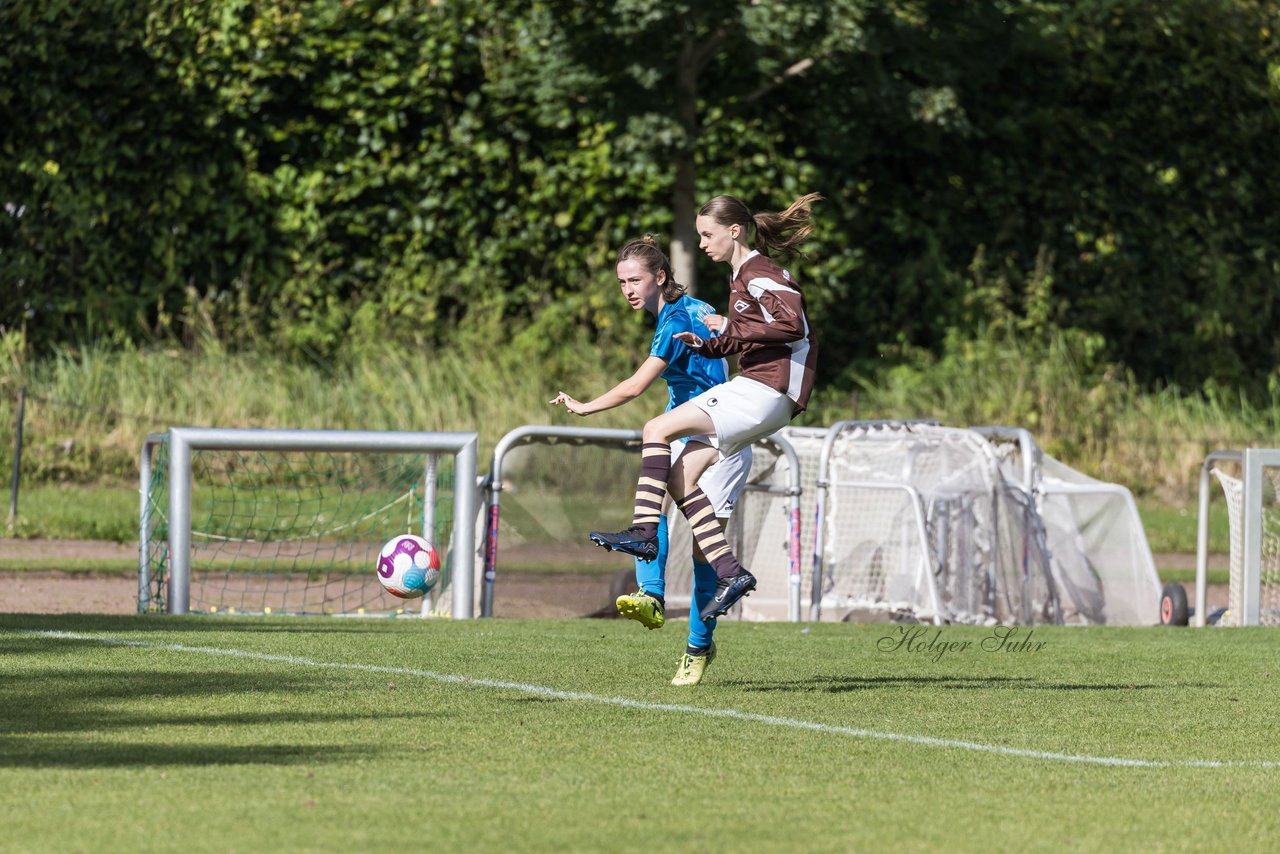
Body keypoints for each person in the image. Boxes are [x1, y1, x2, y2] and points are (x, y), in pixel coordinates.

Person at [588, 192, 821, 624]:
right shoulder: (739, 277)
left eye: (707, 234)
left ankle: (644, 536)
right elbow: (750, 336)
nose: (701, 244)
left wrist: (729, 327)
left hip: (765, 389)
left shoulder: (757, 271)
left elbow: (793, 324)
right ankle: (730, 573)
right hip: (765, 393)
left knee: (655, 429)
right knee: (678, 478)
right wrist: (712, 343)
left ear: (734, 231)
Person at [550, 234, 751, 686]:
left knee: (704, 554)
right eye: (621, 282)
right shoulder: (694, 307)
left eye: (635, 280)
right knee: (651, 500)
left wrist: (584, 407)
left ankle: (698, 648)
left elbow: (634, 386)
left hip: (721, 436)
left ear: (660, 277)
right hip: (683, 427)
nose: (627, 290)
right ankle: (652, 596)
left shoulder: (674, 320)